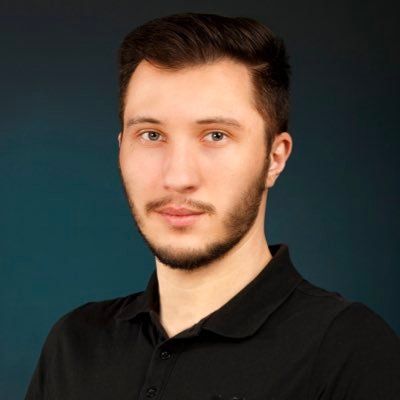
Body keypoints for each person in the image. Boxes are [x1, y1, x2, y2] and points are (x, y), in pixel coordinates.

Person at [25, 12, 400, 400]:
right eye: (151, 135)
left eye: (216, 135)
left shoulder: (351, 351)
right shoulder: (75, 344)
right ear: (121, 149)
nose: (178, 177)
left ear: (275, 157)